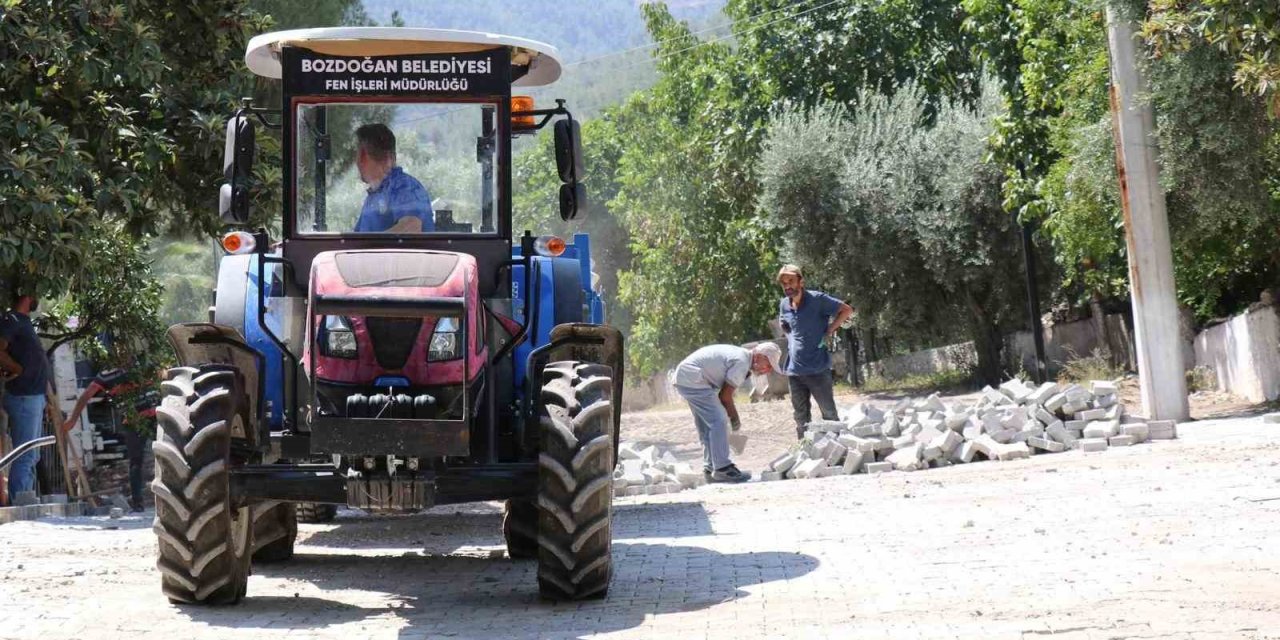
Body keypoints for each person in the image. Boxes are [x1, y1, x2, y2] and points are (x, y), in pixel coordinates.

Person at [672, 342, 783, 483]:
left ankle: (710, 468)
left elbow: (724, 393)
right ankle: (723, 469)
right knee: (719, 421)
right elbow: (724, 396)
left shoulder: (742, 357)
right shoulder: (742, 362)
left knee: (708, 426)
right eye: (767, 364)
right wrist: (735, 419)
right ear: (759, 356)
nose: (767, 370)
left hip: (688, 377)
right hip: (694, 379)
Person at [776, 265, 854, 440]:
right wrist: (788, 332)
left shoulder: (817, 300)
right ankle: (805, 452)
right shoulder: (784, 304)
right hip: (794, 371)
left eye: (791, 281)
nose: (787, 286)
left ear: (801, 281)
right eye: (783, 283)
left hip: (817, 369)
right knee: (800, 418)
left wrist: (830, 329)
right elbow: (784, 323)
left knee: (829, 415)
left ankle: (837, 451)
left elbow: (846, 310)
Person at [0, 294, 50, 504]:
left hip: (33, 397)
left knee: (31, 455)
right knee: (25, 454)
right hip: (24, 397)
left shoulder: (23, 322)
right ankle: (20, 505)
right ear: (27, 296)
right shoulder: (12, 320)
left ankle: (23, 501)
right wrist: (17, 369)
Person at [353, 123, 435, 233]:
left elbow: (412, 226)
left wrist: (370, 247)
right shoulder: (374, 196)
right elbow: (356, 239)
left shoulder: (404, 186)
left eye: (361, 155)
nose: (357, 162)